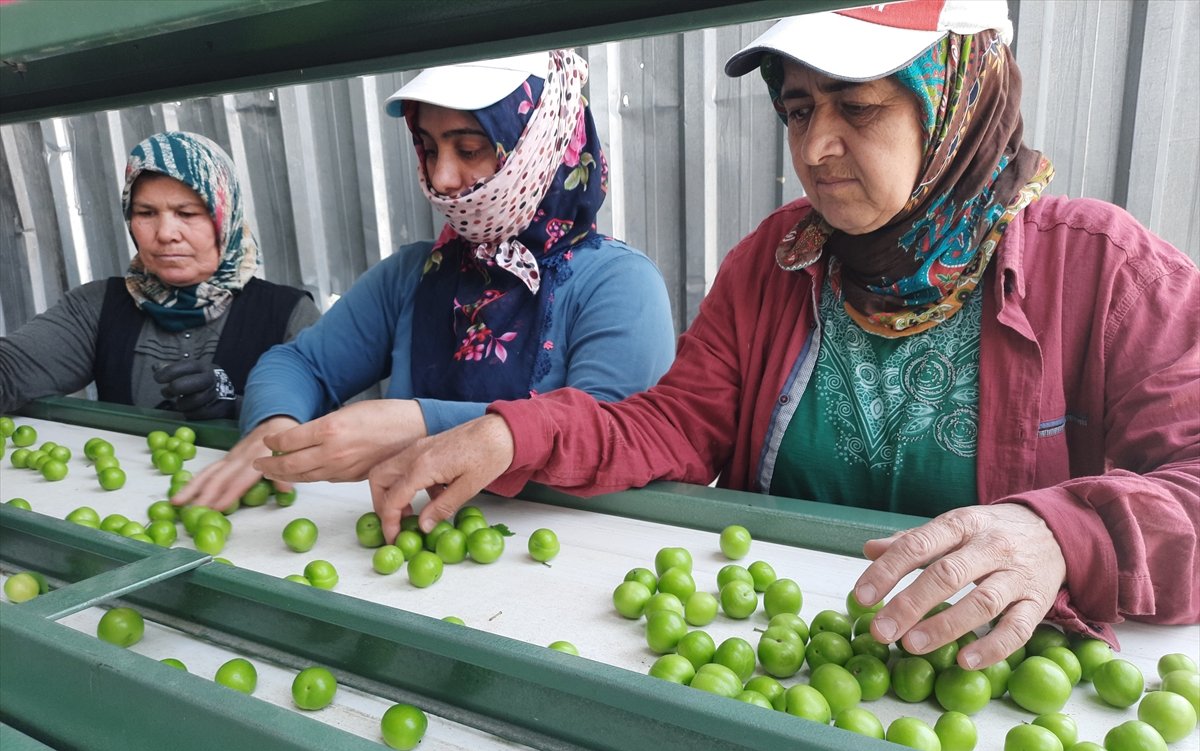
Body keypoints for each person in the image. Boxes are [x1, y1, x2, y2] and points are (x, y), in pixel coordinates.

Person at [367, 1, 1200, 670]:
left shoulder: (1106, 273)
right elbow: (677, 427)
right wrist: (513, 432)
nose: (818, 147)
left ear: (957, 95)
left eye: (859, 106)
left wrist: (1063, 533)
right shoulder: (777, 263)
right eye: (799, 110)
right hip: (794, 655)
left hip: (999, 674)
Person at [178, 50, 675, 511]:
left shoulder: (618, 285)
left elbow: (611, 435)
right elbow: (301, 363)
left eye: (470, 149)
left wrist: (414, 425)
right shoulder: (414, 275)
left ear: (542, 147)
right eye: (429, 148)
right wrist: (274, 423)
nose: (440, 178)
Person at [0, 131, 319, 419]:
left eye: (187, 213)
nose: (166, 233)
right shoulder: (97, 307)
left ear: (226, 217)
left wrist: (236, 403)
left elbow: (330, 421)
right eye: (146, 213)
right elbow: (9, 372)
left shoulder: (286, 314)